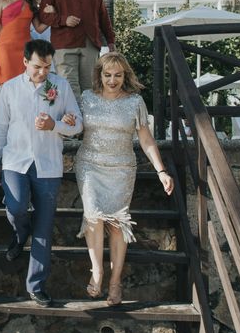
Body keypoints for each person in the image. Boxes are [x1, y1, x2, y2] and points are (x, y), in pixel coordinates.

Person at [63, 53, 174, 306]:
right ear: (99, 75)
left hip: (122, 168)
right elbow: (75, 127)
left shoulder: (135, 102)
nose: (112, 80)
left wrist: (161, 171)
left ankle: (115, 283)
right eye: (107, 75)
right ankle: (97, 271)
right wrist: (67, 120)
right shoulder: (87, 99)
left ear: (125, 76)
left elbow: (146, 139)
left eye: (118, 75)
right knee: (93, 213)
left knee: (117, 224)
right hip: (89, 165)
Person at [0, 39, 83, 307]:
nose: (43, 72)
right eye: (38, 67)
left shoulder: (60, 86)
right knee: (17, 208)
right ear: (25, 62)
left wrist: (56, 125)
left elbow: (76, 123)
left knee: (44, 226)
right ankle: (20, 234)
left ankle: (36, 285)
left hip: (48, 164)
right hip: (15, 161)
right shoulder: (9, 88)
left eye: (47, 67)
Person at [39, 0, 116, 101]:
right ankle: (74, 124)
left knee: (91, 89)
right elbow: (43, 15)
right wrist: (63, 20)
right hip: (64, 45)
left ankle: (88, 124)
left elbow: (103, 15)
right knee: (69, 88)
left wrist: (111, 41)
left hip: (90, 43)